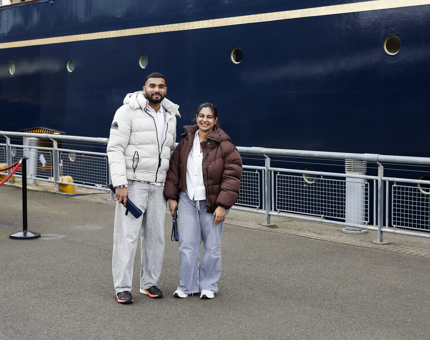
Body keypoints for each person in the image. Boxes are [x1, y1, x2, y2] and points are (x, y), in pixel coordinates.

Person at [107, 72, 180, 304]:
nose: (156, 89)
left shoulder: (170, 115)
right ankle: (122, 287)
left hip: (159, 186)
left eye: (161, 86)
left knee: (156, 238)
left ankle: (149, 283)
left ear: (166, 90)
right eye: (152, 86)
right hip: (134, 185)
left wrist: (171, 189)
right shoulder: (127, 111)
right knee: (126, 237)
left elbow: (169, 151)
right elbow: (115, 148)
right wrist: (120, 183)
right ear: (144, 88)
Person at [164, 102, 242, 299]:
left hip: (213, 202)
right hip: (188, 200)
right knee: (187, 245)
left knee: (212, 246)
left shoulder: (226, 146)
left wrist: (223, 205)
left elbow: (232, 177)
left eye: (209, 117)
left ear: (215, 120)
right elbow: (175, 170)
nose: (204, 120)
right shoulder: (185, 143)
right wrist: (172, 198)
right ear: (196, 118)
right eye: (201, 116)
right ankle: (187, 285)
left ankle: (208, 285)